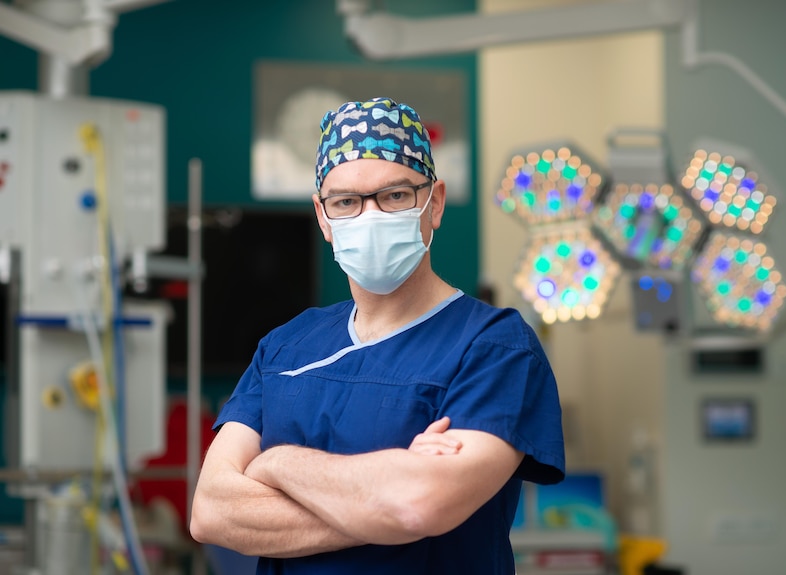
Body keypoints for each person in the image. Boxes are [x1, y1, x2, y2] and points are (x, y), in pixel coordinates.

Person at [190, 96, 565, 574]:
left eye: (394, 196)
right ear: (323, 217)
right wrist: (384, 504)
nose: (369, 217)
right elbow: (211, 513)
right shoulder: (286, 347)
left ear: (435, 203)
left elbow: (419, 505)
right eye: (345, 201)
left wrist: (275, 464)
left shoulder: (495, 348)